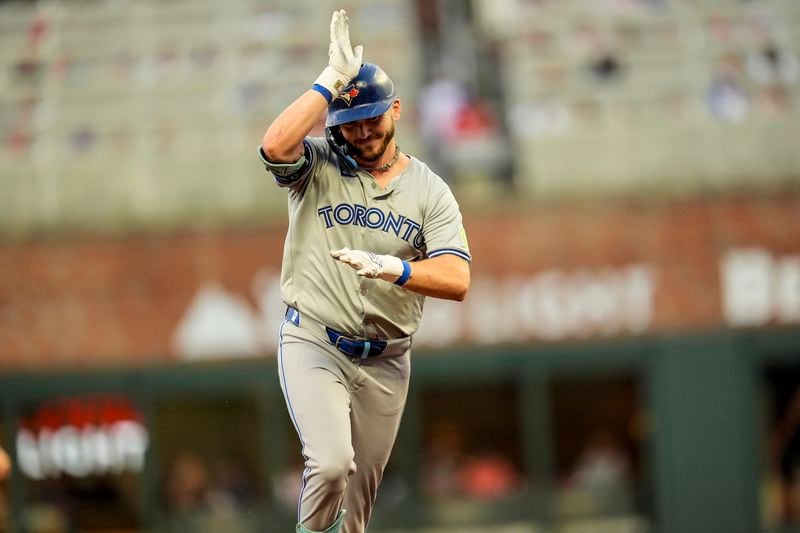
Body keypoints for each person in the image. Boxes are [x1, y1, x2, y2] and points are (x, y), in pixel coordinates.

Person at [258, 9, 471, 533]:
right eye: (349, 124)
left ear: (396, 109)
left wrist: (393, 267)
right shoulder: (319, 165)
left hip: (385, 361)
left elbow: (456, 278)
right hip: (316, 340)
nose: (362, 133)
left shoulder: (428, 190)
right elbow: (274, 146)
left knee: (355, 514)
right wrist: (328, 84)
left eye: (372, 119)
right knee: (331, 464)